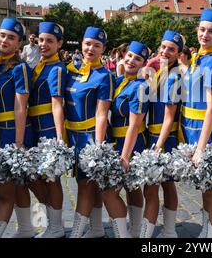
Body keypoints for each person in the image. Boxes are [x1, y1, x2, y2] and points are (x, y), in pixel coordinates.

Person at [180, 8, 212, 238]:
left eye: (211, 31)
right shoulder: (199, 57)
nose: (205, 35)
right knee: (205, 188)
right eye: (202, 30)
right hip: (193, 131)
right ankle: (207, 230)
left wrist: (200, 147)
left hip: (205, 134)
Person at [0, 18, 35, 238]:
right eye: (2, 35)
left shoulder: (20, 68)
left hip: (13, 133)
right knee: (18, 186)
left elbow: (20, 107)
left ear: (19, 44)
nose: (4, 40)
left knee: (5, 192)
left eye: (11, 37)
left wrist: (18, 142)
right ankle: (26, 228)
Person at [65, 27, 114, 238]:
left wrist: (98, 146)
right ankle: (96, 229)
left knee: (85, 186)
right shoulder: (71, 70)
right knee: (84, 184)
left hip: (91, 137)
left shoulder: (105, 76)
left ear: (103, 49)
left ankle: (76, 233)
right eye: (87, 44)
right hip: (73, 136)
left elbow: (102, 113)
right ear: (81, 44)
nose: (90, 48)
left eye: (96, 45)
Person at [103, 41, 150, 238]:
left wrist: (125, 156)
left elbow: (134, 125)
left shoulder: (140, 87)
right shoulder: (121, 80)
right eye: (129, 55)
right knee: (132, 188)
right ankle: (135, 231)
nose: (132, 60)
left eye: (137, 58)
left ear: (143, 64)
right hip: (117, 142)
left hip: (131, 144)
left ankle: (127, 234)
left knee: (109, 192)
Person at [143, 30, 184, 238]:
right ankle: (168, 231)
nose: (166, 51)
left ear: (178, 54)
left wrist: (157, 147)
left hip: (163, 139)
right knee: (163, 186)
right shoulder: (161, 72)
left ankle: (160, 232)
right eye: (164, 47)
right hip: (155, 136)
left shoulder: (174, 77)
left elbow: (169, 118)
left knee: (156, 187)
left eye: (172, 49)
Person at [28, 22, 67, 238]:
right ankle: (53, 222)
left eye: (49, 41)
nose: (43, 44)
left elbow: (57, 104)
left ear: (59, 44)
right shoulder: (39, 65)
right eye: (41, 40)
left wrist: (59, 137)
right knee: (36, 178)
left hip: (48, 129)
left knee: (52, 179)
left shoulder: (56, 68)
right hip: (35, 127)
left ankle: (55, 226)